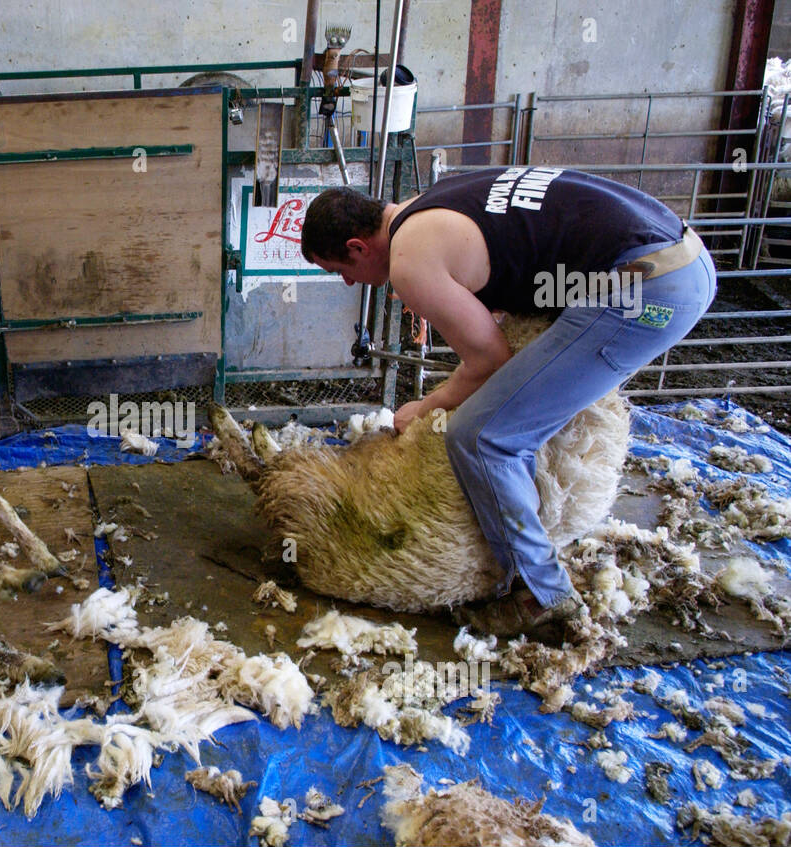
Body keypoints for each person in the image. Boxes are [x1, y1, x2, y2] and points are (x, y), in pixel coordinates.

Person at [299, 167, 716, 640]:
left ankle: (542, 598)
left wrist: (427, 405)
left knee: (482, 436)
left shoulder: (409, 262)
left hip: (647, 291)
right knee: (509, 409)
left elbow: (489, 357)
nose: (351, 284)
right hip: (682, 257)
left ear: (358, 247)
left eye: (341, 272)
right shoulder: (433, 203)